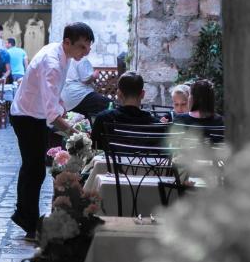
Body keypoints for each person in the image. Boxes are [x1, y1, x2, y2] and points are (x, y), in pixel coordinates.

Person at [10, 21, 95, 239]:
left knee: (33, 168)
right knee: (34, 169)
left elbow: (52, 94)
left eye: (88, 46)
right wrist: (76, 134)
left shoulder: (63, 54)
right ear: (68, 42)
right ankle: (28, 222)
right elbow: (52, 114)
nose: (86, 52)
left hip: (32, 113)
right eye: (82, 47)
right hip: (26, 115)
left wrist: (61, 106)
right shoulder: (53, 63)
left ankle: (25, 217)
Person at [91, 71, 154, 147]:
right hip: (145, 159)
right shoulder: (155, 124)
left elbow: (95, 147)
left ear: (119, 94)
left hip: (112, 159)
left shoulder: (103, 118)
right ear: (142, 94)